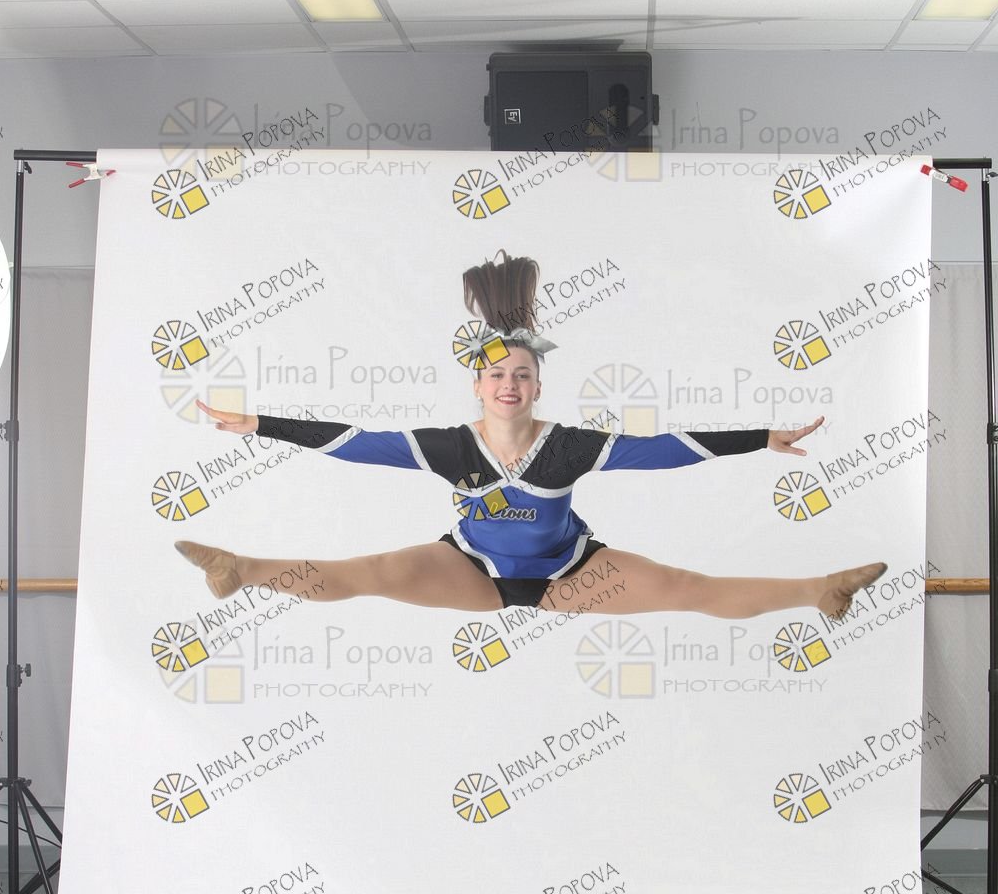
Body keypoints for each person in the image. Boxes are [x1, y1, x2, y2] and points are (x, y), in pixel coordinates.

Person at [175, 251, 885, 622]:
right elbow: (352, 441)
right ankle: (241, 568)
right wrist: (261, 424)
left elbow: (665, 449)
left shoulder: (569, 446)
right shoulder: (449, 447)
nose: (508, 384)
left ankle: (821, 589)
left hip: (569, 573)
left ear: (538, 385)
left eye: (522, 374)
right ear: (477, 386)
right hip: (471, 568)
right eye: (496, 375)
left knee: (683, 588)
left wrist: (761, 438)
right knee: (374, 573)